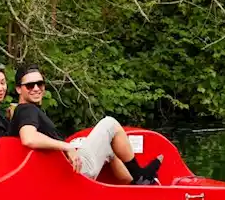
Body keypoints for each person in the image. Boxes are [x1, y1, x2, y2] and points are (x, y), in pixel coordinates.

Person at [8, 65, 161, 185]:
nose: (36, 88)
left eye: (40, 84)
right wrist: (67, 146)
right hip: (71, 170)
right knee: (110, 124)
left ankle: (134, 183)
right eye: (30, 85)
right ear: (18, 89)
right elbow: (28, 138)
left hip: (61, 167)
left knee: (108, 147)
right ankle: (141, 176)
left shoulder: (24, 111)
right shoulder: (27, 109)